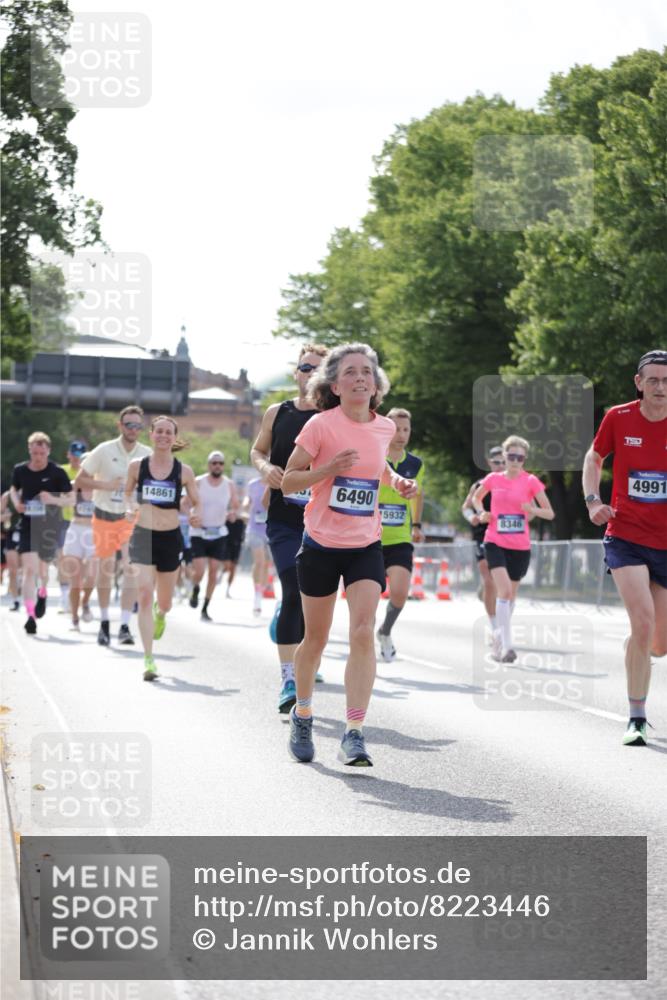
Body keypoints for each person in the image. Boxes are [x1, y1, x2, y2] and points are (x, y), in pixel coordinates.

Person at [282, 343, 418, 766]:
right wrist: (327, 470)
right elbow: (288, 480)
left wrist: (396, 482)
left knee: (362, 631)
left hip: (365, 545)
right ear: (335, 386)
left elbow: (377, 467)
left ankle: (354, 732)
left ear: (376, 385)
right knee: (316, 640)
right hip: (321, 544)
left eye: (367, 372)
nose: (360, 377)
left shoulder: (384, 428)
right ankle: (303, 713)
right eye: (350, 372)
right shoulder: (320, 426)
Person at [582, 349, 667, 747]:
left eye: (666, 381)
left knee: (658, 645)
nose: (660, 387)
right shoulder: (618, 417)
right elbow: (594, 457)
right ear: (639, 383)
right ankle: (636, 718)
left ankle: (637, 646)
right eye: (653, 380)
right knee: (643, 621)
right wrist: (592, 501)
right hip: (626, 535)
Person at [251, 344, 328, 713]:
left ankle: (303, 653)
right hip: (284, 518)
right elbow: (257, 451)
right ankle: (288, 680)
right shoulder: (277, 412)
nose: (309, 373)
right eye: (304, 367)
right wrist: (266, 469)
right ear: (296, 373)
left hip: (324, 521)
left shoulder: (334, 417)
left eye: (317, 368)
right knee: (293, 587)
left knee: (310, 599)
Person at [124, 416, 200, 680]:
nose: (164, 436)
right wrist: (129, 508)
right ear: (151, 434)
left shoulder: (184, 471)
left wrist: (194, 514)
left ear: (174, 437)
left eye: (169, 432)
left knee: (164, 602)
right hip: (143, 535)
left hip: (170, 538)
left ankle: (162, 613)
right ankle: (148, 659)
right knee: (145, 594)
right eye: (159, 431)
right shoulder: (137, 466)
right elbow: (127, 493)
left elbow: (196, 501)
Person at [472, 435, 554, 663]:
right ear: (504, 456)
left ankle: (498, 637)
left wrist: (532, 509)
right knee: (505, 591)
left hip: (520, 546)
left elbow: (549, 513)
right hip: (495, 541)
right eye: (511, 456)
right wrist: (482, 512)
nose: (515, 461)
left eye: (520, 457)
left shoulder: (531, 482)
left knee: (511, 596)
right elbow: (476, 498)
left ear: (524, 459)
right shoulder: (493, 479)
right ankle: (507, 646)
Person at [75, 407, 152, 646]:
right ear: (120, 426)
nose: (133, 429)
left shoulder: (147, 454)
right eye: (129, 425)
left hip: (131, 519)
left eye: (137, 426)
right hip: (104, 516)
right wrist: (107, 485)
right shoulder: (103, 450)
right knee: (106, 570)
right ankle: (105, 622)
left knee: (131, 568)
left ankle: (125, 625)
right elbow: (79, 480)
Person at [10, 432, 73, 635]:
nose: (38, 457)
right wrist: (16, 503)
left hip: (49, 526)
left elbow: (71, 499)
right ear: (29, 450)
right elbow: (14, 489)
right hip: (28, 524)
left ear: (48, 451)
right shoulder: (20, 470)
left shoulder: (57, 472)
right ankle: (30, 616)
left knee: (43, 572)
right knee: (29, 570)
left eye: (42, 453)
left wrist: (53, 499)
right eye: (34, 453)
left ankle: (43, 592)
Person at [375, 408, 425, 661]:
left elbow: (419, 494)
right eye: (396, 429)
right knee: (368, 596)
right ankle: (361, 639)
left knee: (400, 592)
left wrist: (416, 525)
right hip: (371, 537)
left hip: (399, 538)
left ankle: (385, 631)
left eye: (406, 429)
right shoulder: (374, 457)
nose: (402, 434)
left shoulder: (415, 464)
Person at [188, 451, 239, 621]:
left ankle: (205, 608)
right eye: (214, 463)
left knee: (213, 572)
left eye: (220, 463)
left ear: (223, 466)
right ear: (209, 465)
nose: (217, 466)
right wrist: (191, 516)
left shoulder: (229, 484)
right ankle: (195, 587)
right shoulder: (198, 481)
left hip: (218, 532)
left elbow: (235, 505)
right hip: (199, 532)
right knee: (199, 570)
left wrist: (232, 514)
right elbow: (185, 504)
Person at [462, 445, 505, 639]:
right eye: (496, 462)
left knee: (503, 583)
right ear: (489, 463)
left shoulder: (515, 484)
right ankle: (495, 627)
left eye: (503, 462)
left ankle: (499, 615)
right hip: (483, 535)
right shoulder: (480, 485)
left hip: (507, 537)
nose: (500, 465)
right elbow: (466, 507)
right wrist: (471, 516)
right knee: (489, 580)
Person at [60, 472, 97, 630]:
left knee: (92, 575)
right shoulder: (74, 486)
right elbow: (63, 498)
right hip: (75, 531)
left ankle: (85, 601)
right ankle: (75, 618)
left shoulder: (101, 487)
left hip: (95, 532)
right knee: (75, 580)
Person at [57, 440, 87, 614]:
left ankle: (78, 597)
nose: (77, 458)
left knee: (83, 564)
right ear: (68, 454)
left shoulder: (90, 472)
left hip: (85, 522)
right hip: (63, 520)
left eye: (80, 455)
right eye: (74, 454)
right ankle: (64, 597)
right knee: (64, 560)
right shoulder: (61, 471)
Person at [243, 476, 271, 616]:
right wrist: (246, 505)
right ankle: (257, 597)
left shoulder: (277, 482)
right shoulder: (253, 484)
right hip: (254, 529)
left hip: (271, 530)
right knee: (259, 562)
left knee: (266, 564)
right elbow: (247, 499)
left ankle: (262, 589)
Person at [1, 490, 21, 611]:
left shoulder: (34, 492)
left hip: (29, 533)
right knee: (13, 570)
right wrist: (5, 517)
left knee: (27, 569)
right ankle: (15, 600)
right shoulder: (7, 496)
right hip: (11, 534)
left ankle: (30, 597)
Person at [221, 514, 245, 598]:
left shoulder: (242, 517)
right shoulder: (226, 514)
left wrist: (239, 516)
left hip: (237, 545)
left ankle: (227, 590)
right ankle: (221, 575)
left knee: (233, 569)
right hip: (226, 544)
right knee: (227, 566)